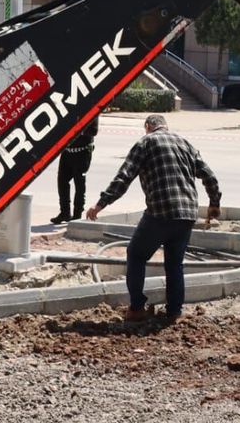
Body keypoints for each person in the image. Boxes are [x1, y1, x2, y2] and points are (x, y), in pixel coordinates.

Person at [86, 114, 221, 322]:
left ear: (148, 126)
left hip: (160, 211)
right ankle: (174, 312)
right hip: (187, 213)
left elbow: (124, 177)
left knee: (136, 255)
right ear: (165, 126)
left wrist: (101, 204)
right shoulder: (185, 143)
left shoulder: (145, 142)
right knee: (174, 264)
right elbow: (209, 176)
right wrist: (214, 204)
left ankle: (137, 308)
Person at [50, 115, 98, 224]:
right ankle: (65, 212)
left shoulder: (90, 109)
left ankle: (77, 215)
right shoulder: (70, 108)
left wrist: (76, 129)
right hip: (67, 150)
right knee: (62, 180)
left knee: (79, 183)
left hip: (83, 151)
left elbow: (93, 131)